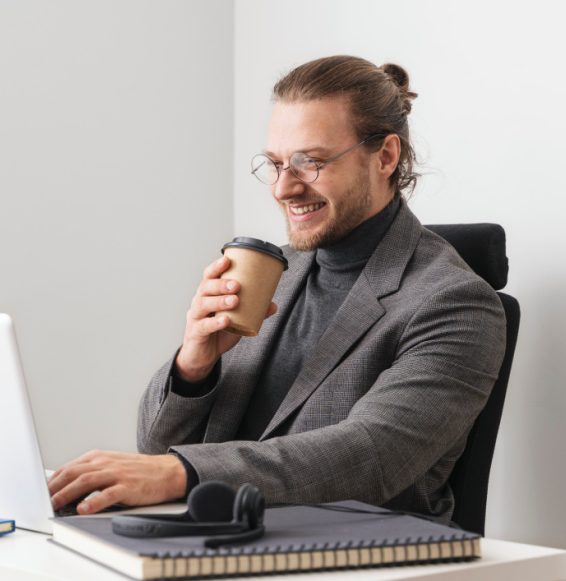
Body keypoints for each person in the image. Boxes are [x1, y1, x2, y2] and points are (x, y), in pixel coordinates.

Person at [48, 55, 506, 524]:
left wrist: (179, 473)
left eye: (310, 162)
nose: (283, 188)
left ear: (385, 157)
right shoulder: (275, 273)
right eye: (274, 163)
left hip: (351, 560)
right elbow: (155, 449)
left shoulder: (455, 303)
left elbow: (373, 455)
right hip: (222, 537)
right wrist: (193, 365)